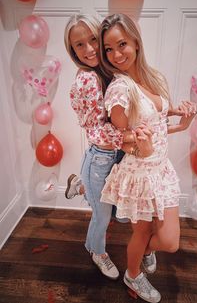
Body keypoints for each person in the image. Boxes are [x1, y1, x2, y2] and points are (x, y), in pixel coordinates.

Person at [99, 13, 197, 302]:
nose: (116, 54)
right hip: (140, 174)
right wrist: (139, 146)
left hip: (162, 170)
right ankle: (133, 274)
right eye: (109, 49)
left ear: (136, 43)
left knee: (169, 241)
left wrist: (182, 119)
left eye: (122, 44)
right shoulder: (119, 88)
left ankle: (147, 252)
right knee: (143, 234)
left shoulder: (151, 76)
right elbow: (121, 137)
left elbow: (157, 120)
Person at [63, 14, 153, 280]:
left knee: (119, 214)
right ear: (72, 50)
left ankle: (80, 185)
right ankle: (96, 250)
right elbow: (94, 130)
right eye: (80, 45)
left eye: (93, 40)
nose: (90, 49)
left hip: (117, 158)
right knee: (102, 218)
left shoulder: (110, 71)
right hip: (101, 158)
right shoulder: (86, 80)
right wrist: (129, 138)